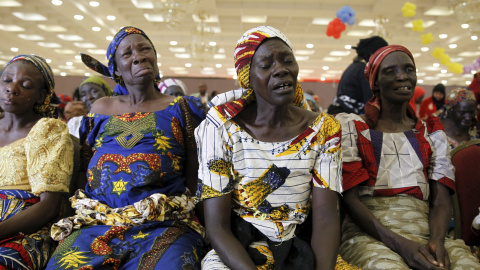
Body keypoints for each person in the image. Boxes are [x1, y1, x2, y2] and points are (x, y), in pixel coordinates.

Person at [196, 26, 357, 270]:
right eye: (266, 65)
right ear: (247, 77)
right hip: (240, 249)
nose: (281, 69)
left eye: (287, 60)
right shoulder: (220, 128)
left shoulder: (324, 128)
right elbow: (217, 227)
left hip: (300, 245)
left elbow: (326, 220)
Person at [46, 26, 206, 269]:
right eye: (127, 53)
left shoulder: (182, 108)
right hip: (97, 223)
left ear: (155, 57)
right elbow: (85, 168)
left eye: (145, 49)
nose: (139, 56)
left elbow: (196, 174)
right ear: (116, 69)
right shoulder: (100, 109)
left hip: (164, 223)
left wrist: (206, 226)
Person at [336, 45, 480, 269]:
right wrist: (402, 245)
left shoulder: (430, 131)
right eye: (390, 71)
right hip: (370, 234)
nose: (402, 76)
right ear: (374, 82)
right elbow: (351, 201)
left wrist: (437, 242)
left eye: (408, 69)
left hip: (427, 230)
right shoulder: (353, 128)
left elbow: (441, 200)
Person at [0, 54, 73, 269]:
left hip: (23, 231)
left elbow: (49, 207)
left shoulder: (47, 131)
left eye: (25, 85)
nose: (12, 88)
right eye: (7, 80)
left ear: (42, 96)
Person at [329, 36, 388, 115]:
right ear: (372, 54)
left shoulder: (355, 67)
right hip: (347, 116)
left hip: (340, 111)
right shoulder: (364, 70)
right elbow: (370, 101)